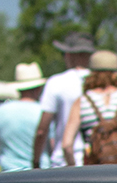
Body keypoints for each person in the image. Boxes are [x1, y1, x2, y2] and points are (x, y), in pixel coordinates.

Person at [60, 50, 117, 165]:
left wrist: (74, 171)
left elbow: (67, 145)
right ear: (116, 73)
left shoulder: (82, 102)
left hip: (95, 174)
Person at [33, 32, 95, 168]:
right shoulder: (102, 84)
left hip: (64, 164)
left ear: (68, 55)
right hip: (97, 162)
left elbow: (42, 130)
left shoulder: (56, 82)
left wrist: (36, 162)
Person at [0, 63, 46, 173]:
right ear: (38, 89)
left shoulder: (0, 111)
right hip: (41, 175)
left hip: (9, 177)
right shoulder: (43, 112)